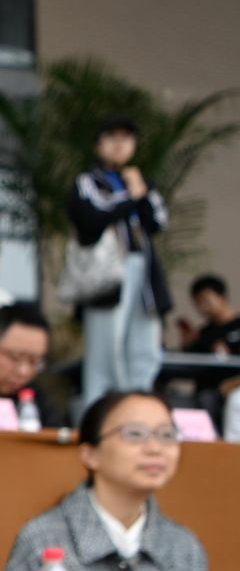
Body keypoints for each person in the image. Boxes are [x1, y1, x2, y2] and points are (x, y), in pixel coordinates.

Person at [1, 390, 218, 571]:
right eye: (135, 434)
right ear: (89, 454)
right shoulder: (43, 538)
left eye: (167, 435)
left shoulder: (184, 547)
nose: (155, 448)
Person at [69, 116, 170, 413]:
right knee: (105, 349)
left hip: (143, 273)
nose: (119, 145)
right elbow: (91, 217)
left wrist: (142, 193)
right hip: (106, 275)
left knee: (144, 346)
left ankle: (139, 408)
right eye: (112, 138)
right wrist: (131, 197)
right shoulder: (88, 181)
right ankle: (99, 412)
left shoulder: (140, 180)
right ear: (98, 145)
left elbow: (158, 222)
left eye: (126, 139)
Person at [176, 274, 240, 355]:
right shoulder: (203, 335)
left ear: (222, 297)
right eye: (198, 303)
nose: (202, 308)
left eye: (206, 301)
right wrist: (187, 345)